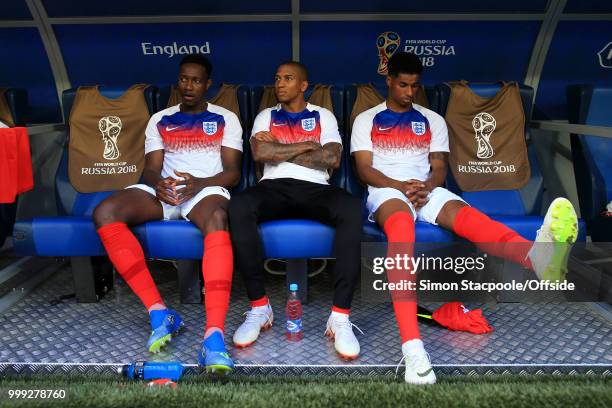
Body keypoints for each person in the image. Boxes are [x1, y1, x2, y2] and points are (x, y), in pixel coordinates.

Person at [351, 52, 578, 384]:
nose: (409, 92)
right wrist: (401, 186)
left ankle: (535, 257)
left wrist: (427, 186)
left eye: (414, 86)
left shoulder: (433, 119)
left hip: (426, 189)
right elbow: (364, 170)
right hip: (387, 190)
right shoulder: (367, 118)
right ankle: (413, 349)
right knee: (401, 229)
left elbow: (440, 167)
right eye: (403, 85)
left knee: (469, 218)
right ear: (389, 81)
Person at [93, 54, 242, 372]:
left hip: (204, 190)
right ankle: (160, 313)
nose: (189, 86)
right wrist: (158, 185)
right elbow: (151, 169)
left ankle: (213, 336)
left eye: (196, 80)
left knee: (217, 218)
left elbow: (232, 173)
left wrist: (199, 183)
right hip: (165, 191)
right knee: (105, 212)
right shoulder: (160, 119)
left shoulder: (225, 118)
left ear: (208, 84)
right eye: (184, 79)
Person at [229, 61, 364, 359]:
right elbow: (261, 153)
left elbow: (331, 159)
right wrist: (306, 146)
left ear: (303, 85)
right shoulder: (267, 115)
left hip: (316, 188)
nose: (280, 84)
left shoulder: (322, 115)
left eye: (288, 79)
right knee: (239, 206)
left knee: (352, 208)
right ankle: (259, 307)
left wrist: (282, 148)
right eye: (277, 78)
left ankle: (340, 316)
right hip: (273, 187)